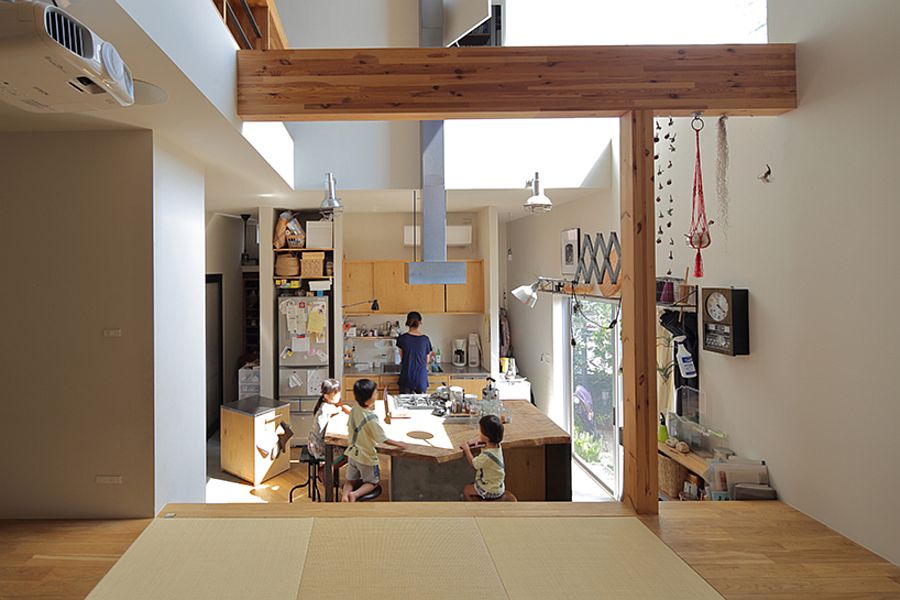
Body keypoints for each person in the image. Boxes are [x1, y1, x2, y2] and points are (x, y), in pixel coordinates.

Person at [342, 379, 407, 502]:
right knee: (372, 482)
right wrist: (400, 444)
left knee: (349, 480)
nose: (377, 394)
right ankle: (355, 495)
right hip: (366, 457)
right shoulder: (371, 418)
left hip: (352, 454)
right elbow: (382, 439)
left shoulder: (355, 409)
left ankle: (345, 496)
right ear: (368, 400)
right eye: (375, 393)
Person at [307, 378, 349, 481]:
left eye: (338, 393)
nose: (338, 396)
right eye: (335, 394)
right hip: (318, 446)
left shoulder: (327, 405)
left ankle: (329, 470)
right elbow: (323, 433)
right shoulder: (325, 408)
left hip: (314, 442)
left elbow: (337, 409)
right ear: (326, 395)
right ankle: (326, 469)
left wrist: (341, 408)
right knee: (350, 453)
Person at [460, 415, 506, 501]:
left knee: (466, 489)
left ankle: (476, 509)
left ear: (486, 437)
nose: (479, 433)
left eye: (480, 431)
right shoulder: (497, 446)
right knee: (473, 484)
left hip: (490, 490)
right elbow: (487, 445)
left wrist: (467, 450)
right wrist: (480, 442)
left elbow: (474, 463)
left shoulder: (487, 456)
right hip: (499, 487)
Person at [396, 311, 434, 394]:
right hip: (420, 378)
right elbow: (427, 360)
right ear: (419, 322)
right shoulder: (425, 340)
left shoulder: (402, 339)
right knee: (421, 404)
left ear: (408, 322)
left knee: (404, 404)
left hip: (406, 377)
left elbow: (402, 358)